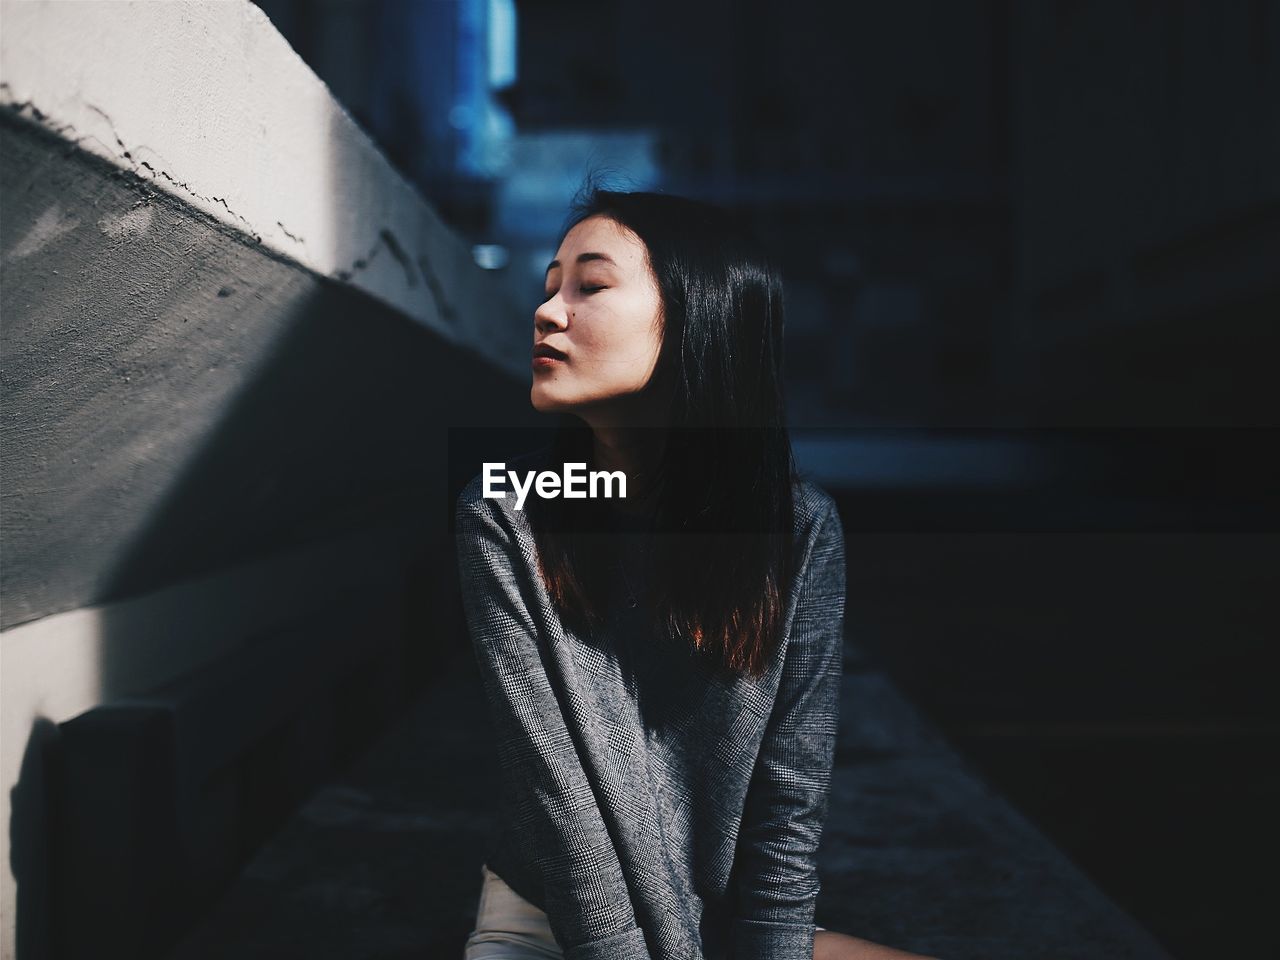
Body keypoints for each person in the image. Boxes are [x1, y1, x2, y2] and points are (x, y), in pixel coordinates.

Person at [454, 186, 940, 960]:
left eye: (590, 285)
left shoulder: (798, 527)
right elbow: (563, 810)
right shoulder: (508, 518)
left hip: (717, 920)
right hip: (561, 925)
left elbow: (789, 799)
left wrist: (772, 950)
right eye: (549, 289)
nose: (547, 313)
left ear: (694, 317)